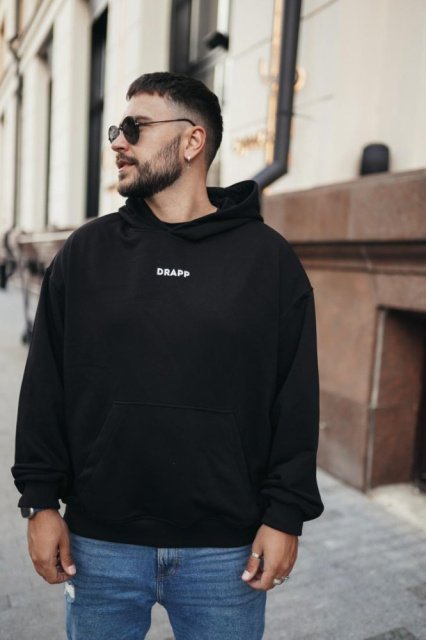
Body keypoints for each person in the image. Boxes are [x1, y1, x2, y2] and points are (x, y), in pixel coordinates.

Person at [11, 71, 324, 640]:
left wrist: (286, 515)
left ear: (192, 141)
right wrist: (40, 502)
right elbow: (44, 384)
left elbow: (296, 397)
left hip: (226, 552)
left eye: (135, 127)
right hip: (100, 544)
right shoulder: (86, 252)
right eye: (116, 128)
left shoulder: (268, 261)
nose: (117, 142)